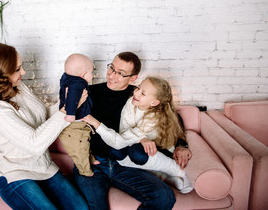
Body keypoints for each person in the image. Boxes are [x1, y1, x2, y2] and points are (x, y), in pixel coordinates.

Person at [0, 43, 88, 210]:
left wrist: (67, 101)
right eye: (18, 69)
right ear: (2, 74)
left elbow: (43, 115)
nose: (23, 72)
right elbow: (34, 144)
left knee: (80, 208)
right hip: (14, 173)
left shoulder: (17, 87)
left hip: (43, 167)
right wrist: (67, 110)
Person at [73, 52, 191, 210]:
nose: (112, 75)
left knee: (164, 196)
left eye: (120, 73)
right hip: (93, 161)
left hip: (125, 163)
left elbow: (171, 117)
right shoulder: (90, 92)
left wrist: (182, 145)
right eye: (112, 68)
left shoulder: (139, 95)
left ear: (133, 78)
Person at [83, 76, 193, 194]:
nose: (136, 92)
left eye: (143, 93)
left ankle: (179, 173)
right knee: (116, 151)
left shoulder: (154, 117)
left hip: (159, 151)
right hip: (139, 148)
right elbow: (124, 133)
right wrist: (140, 138)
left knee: (136, 152)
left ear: (154, 102)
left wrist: (94, 122)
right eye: (139, 87)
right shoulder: (131, 103)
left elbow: (119, 141)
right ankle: (164, 178)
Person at [58, 53, 97, 177]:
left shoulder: (67, 78)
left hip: (79, 122)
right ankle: (85, 171)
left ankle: (90, 158)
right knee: (80, 148)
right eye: (91, 72)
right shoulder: (78, 83)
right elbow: (71, 98)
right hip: (75, 124)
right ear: (83, 74)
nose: (93, 75)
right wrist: (70, 114)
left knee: (86, 142)